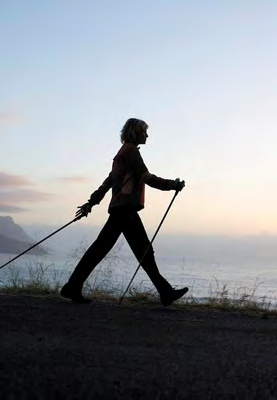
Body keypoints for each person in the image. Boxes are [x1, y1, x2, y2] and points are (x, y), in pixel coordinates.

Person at [61, 118, 188, 306]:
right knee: (140, 251)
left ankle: (73, 286)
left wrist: (91, 203)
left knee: (109, 249)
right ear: (136, 132)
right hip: (125, 209)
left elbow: (109, 181)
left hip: (121, 209)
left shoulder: (121, 153)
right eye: (144, 131)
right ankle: (165, 292)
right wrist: (173, 185)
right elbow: (147, 177)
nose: (147, 135)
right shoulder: (131, 152)